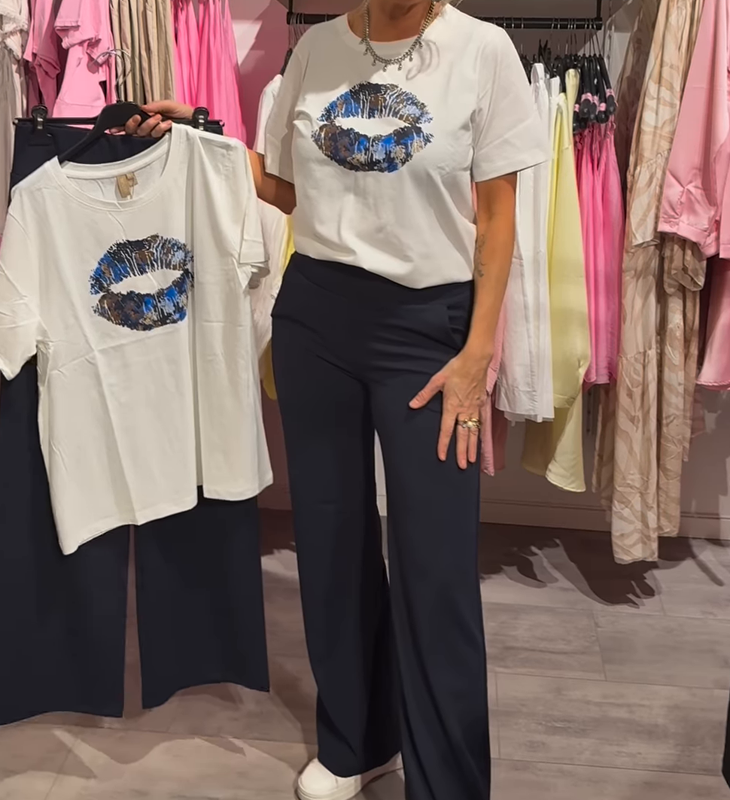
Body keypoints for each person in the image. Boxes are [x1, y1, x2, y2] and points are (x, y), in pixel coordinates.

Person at [127, 1, 546, 797]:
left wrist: (477, 356)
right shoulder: (317, 49)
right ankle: (357, 741)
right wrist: (205, 138)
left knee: (435, 570)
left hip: (427, 328)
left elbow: (498, 221)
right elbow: (287, 188)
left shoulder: (483, 50)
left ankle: (449, 784)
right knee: (330, 542)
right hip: (316, 316)